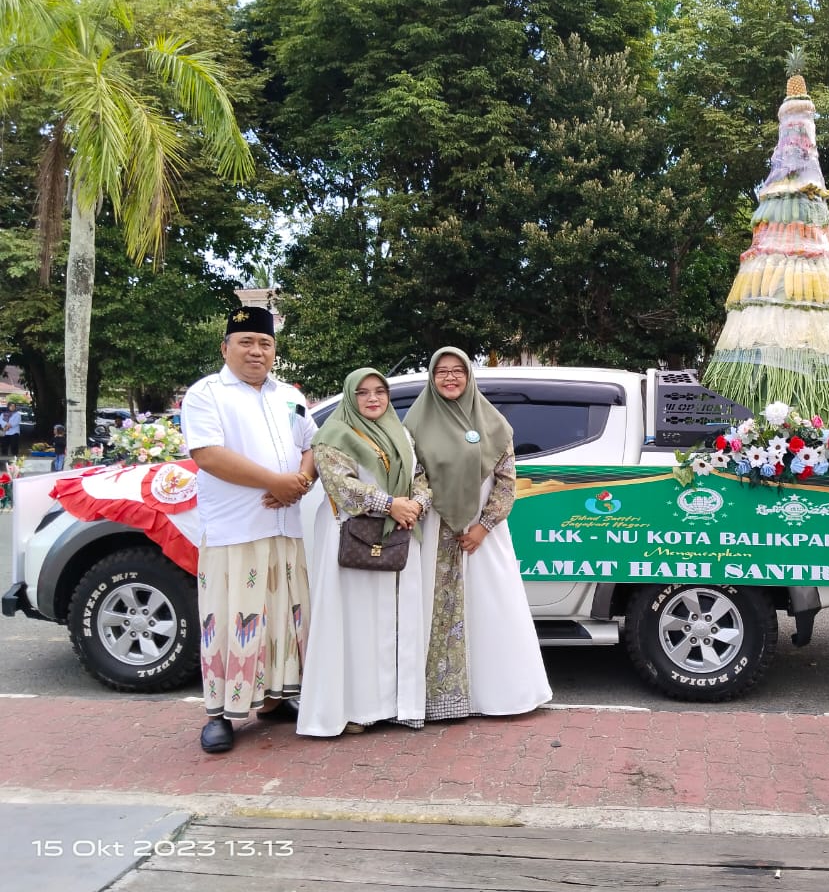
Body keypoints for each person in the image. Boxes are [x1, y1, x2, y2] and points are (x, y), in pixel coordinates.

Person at [180, 306, 317, 754]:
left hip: (284, 527)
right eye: (246, 342)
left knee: (284, 618)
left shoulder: (288, 396)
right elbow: (209, 455)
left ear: (274, 351)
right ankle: (220, 713)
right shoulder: (207, 394)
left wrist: (299, 483)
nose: (256, 351)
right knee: (230, 621)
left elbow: (313, 445)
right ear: (225, 347)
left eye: (265, 343)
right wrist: (275, 482)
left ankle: (277, 699)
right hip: (235, 533)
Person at [404, 347, 551, 720]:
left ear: (470, 376)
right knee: (431, 613)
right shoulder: (414, 425)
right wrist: (432, 510)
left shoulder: (494, 424)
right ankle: (437, 700)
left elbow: (506, 484)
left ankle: (498, 696)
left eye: (458, 371)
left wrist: (482, 528)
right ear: (432, 378)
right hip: (434, 529)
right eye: (442, 372)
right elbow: (414, 477)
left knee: (490, 610)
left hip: (484, 536)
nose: (450, 377)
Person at [298, 368, 432, 737]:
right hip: (352, 537)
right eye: (362, 392)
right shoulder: (333, 435)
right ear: (349, 397)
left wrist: (416, 505)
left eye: (379, 391)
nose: (373, 399)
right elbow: (340, 485)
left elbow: (422, 477)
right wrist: (391, 504)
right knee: (356, 623)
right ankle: (355, 709)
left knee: (395, 620)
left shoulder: (401, 433)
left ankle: (396, 705)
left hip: (400, 532)